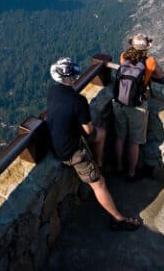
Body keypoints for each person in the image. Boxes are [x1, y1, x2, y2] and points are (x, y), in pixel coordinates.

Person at [46, 57, 141, 231]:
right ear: (74, 78)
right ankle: (118, 219)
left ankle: (99, 163)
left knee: (102, 134)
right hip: (71, 151)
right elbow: (89, 131)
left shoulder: (53, 92)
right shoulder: (78, 101)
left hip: (55, 141)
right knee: (99, 184)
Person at [113, 33, 164, 181]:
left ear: (132, 45)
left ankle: (117, 167)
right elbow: (160, 75)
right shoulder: (150, 61)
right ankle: (131, 173)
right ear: (146, 47)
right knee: (134, 141)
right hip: (137, 104)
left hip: (119, 102)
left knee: (119, 136)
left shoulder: (124, 56)